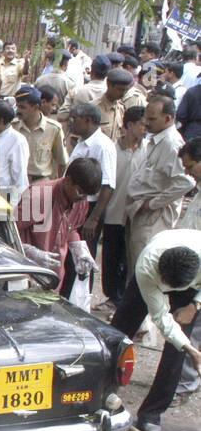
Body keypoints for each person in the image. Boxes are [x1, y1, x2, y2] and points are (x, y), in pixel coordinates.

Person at [110, 227, 201, 431]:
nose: (166, 290)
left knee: (178, 349)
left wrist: (194, 305)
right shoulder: (148, 267)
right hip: (150, 276)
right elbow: (161, 317)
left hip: (191, 287)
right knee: (119, 332)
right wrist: (191, 348)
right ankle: (99, 391)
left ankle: (151, 414)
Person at [124, 96, 193, 269]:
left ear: (168, 118)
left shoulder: (171, 144)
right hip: (142, 211)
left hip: (154, 217)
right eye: (146, 117)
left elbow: (186, 182)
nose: (146, 123)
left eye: (152, 119)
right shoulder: (157, 139)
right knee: (135, 264)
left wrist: (153, 204)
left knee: (144, 266)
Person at [13, 157, 102, 286]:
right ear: (68, 180)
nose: (82, 198)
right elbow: (10, 231)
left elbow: (71, 229)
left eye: (86, 196)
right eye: (80, 193)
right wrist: (30, 252)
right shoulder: (40, 196)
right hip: (27, 273)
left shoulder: (81, 202)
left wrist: (79, 249)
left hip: (53, 275)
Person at [67, 101, 117, 291]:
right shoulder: (80, 142)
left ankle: (82, 297)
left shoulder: (103, 146)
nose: (70, 123)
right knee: (72, 255)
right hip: (76, 205)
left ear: (87, 121)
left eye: (74, 119)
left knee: (84, 255)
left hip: (89, 209)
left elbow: (108, 186)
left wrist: (93, 219)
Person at [100, 105, 147, 305]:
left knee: (131, 258)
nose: (145, 129)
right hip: (113, 212)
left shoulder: (149, 150)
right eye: (142, 125)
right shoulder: (112, 149)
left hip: (136, 215)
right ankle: (112, 296)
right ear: (129, 125)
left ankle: (125, 298)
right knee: (111, 256)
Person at [13, 85, 67, 182]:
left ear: (36, 107)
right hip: (14, 182)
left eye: (22, 107)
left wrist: (56, 184)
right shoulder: (12, 126)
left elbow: (62, 161)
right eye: (17, 106)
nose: (18, 110)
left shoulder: (53, 129)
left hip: (40, 182)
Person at [0, 99, 30, 206]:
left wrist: (14, 207)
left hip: (4, 196)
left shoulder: (17, 141)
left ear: (0, 121)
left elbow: (20, 178)